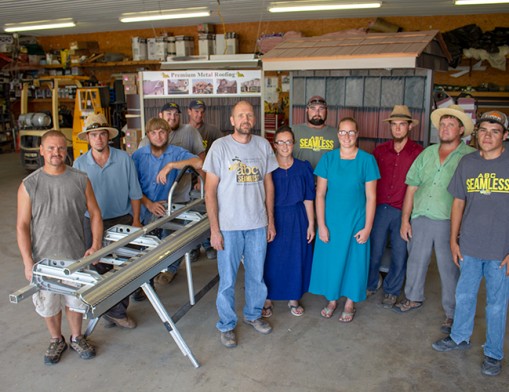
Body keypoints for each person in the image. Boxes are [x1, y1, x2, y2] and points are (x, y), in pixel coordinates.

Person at [432, 111, 509, 377]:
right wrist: (454, 240)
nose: (488, 136)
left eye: (495, 131)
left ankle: (493, 353)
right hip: (471, 246)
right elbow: (458, 202)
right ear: (476, 134)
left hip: (501, 251)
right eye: (484, 130)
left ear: (505, 136)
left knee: (497, 304)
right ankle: (459, 336)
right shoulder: (467, 162)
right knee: (464, 296)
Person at [16, 130, 102, 365]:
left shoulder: (80, 179)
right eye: (51, 148)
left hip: (74, 256)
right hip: (43, 260)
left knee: (75, 301)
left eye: (61, 148)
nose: (57, 153)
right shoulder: (29, 185)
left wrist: (95, 245)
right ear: (41, 150)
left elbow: (95, 214)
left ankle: (76, 336)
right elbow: (22, 226)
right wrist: (27, 262)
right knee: (49, 304)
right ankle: (56, 339)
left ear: (67, 150)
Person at [394, 105, 476, 335]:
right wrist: (405, 219)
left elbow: (473, 197)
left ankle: (452, 312)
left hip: (449, 221)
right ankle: (413, 298)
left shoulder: (469, 157)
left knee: (449, 268)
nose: (445, 128)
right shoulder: (427, 153)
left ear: (461, 130)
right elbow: (411, 187)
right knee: (416, 262)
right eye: (443, 124)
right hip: (421, 216)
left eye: (451, 125)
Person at [203, 100, 278, 348]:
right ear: (232, 120)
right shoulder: (219, 147)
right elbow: (210, 191)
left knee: (256, 275)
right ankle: (226, 324)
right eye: (240, 115)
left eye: (249, 115)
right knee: (227, 280)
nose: (246, 119)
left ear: (254, 120)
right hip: (229, 227)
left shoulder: (263, 145)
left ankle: (253, 314)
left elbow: (269, 185)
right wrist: (214, 229)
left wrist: (270, 221)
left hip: (257, 224)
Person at [73, 113, 142, 329]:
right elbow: (76, 197)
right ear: (88, 139)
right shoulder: (79, 163)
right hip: (91, 220)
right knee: (97, 266)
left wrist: (137, 220)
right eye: (94, 135)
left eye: (102, 134)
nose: (99, 139)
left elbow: (135, 193)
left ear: (108, 136)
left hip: (122, 217)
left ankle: (117, 311)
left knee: (123, 267)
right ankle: (110, 310)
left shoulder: (123, 159)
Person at [308, 117, 379, 322]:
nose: (346, 136)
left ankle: (349, 302)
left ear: (357, 135)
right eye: (342, 132)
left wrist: (367, 227)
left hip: (356, 220)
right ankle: (332, 299)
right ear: (337, 134)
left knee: (354, 263)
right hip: (331, 222)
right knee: (332, 261)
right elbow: (320, 194)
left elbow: (371, 197)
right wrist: (321, 224)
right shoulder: (328, 159)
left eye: (351, 132)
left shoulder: (367, 160)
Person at [132, 117, 202, 289]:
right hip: (143, 207)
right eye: (153, 133)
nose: (158, 136)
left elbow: (199, 162)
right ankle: (144, 284)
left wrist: (171, 165)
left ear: (168, 134)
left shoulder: (176, 152)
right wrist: (148, 204)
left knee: (172, 241)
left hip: (167, 205)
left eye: (162, 132)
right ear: (147, 135)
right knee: (145, 248)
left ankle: (170, 269)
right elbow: (131, 185)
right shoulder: (138, 156)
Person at [367, 105, 423, 308]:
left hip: (403, 210)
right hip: (381, 207)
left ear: (409, 127)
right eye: (394, 125)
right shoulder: (380, 151)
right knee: (374, 250)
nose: (398, 128)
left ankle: (391, 291)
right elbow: (371, 181)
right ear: (390, 127)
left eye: (402, 124)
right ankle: (371, 283)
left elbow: (420, 184)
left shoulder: (418, 152)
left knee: (400, 253)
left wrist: (409, 216)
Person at [262, 126, 315, 318]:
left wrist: (311, 223)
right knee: (270, 259)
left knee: (296, 257)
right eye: (281, 142)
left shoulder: (303, 167)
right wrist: (268, 221)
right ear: (274, 145)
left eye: (288, 142)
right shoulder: (268, 168)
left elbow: (309, 197)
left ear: (294, 144)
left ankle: (294, 297)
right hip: (273, 216)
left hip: (297, 217)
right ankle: (267, 297)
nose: (285, 146)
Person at [186, 99, 224, 259]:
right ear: (189, 112)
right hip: (186, 180)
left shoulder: (213, 131)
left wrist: (205, 179)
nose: (199, 114)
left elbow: (223, 150)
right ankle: (194, 247)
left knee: (207, 211)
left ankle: (208, 243)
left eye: (201, 111)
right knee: (190, 215)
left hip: (207, 178)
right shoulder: (184, 131)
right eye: (196, 111)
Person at [292, 96, 340, 169]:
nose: (317, 113)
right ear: (306, 110)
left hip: (328, 180)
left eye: (321, 109)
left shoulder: (338, 134)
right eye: (313, 108)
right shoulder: (293, 131)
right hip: (300, 179)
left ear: (326, 111)